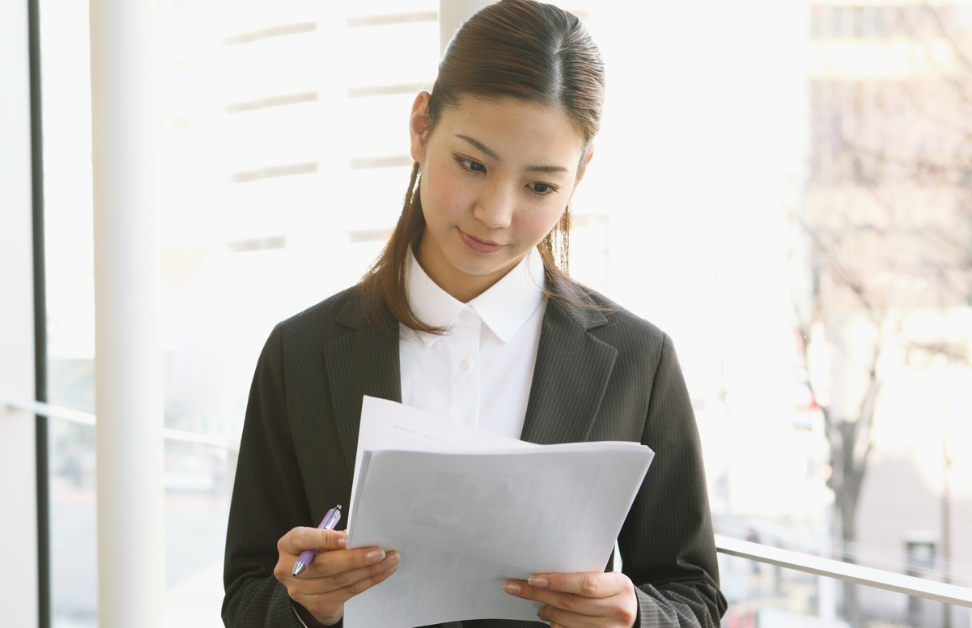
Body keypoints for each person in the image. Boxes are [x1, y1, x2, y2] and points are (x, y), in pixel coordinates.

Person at [222, 1, 727, 626]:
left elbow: (694, 599)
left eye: (540, 186)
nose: (495, 213)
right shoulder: (300, 352)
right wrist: (305, 606)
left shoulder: (638, 361)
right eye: (472, 164)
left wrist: (636, 618)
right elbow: (246, 596)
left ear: (580, 175)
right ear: (420, 127)